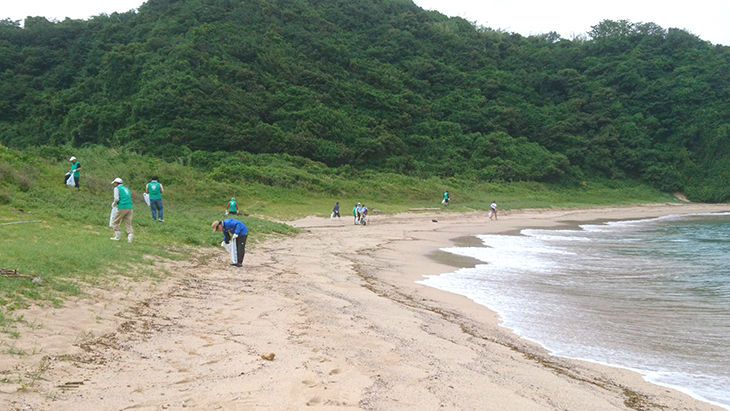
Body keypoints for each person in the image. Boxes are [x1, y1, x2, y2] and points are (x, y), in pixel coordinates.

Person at [110, 177, 134, 243]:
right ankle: (130, 237)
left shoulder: (116, 188)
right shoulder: (127, 189)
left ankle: (117, 236)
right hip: (130, 207)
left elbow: (116, 198)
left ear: (116, 183)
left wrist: (114, 204)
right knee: (128, 223)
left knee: (115, 221)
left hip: (122, 206)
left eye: (114, 183)